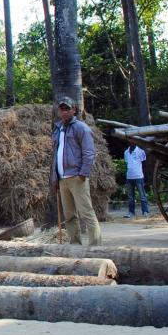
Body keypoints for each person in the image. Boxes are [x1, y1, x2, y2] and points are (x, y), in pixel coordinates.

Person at [50, 96, 102, 246]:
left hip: (76, 178)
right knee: (69, 216)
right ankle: (75, 246)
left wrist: (83, 173)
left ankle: (95, 247)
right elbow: (55, 155)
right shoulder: (58, 128)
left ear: (74, 110)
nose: (64, 112)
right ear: (59, 111)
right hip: (62, 179)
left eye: (68, 109)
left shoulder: (81, 128)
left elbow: (89, 152)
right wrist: (55, 178)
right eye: (62, 109)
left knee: (86, 213)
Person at [123, 144, 150, 219]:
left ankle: (145, 211)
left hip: (138, 176)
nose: (131, 142)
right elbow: (127, 164)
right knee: (130, 196)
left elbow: (144, 164)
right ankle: (131, 212)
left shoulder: (140, 152)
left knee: (142, 195)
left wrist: (145, 176)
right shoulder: (126, 152)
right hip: (129, 176)